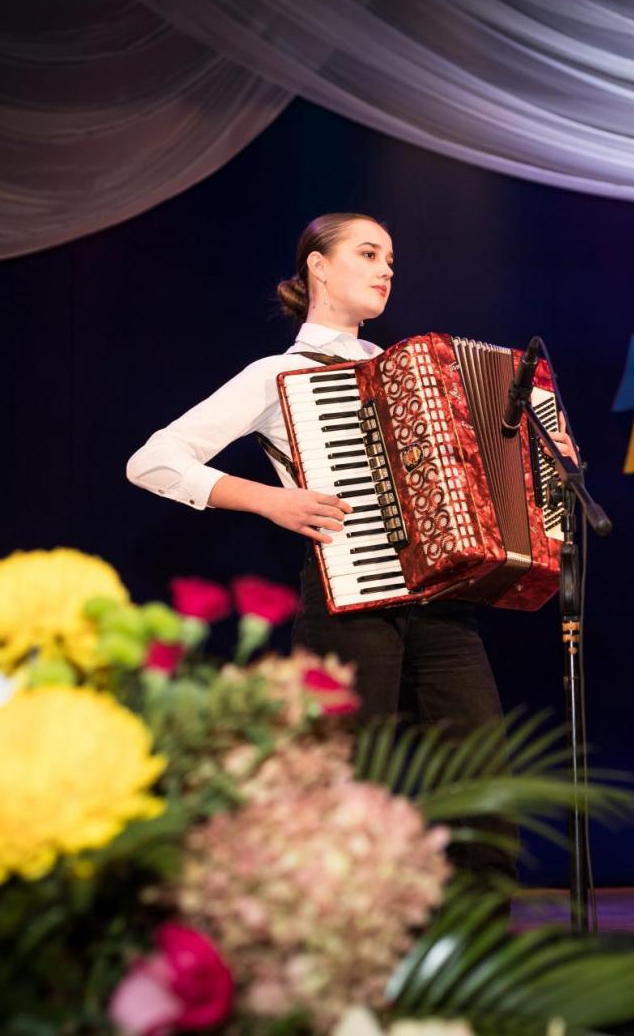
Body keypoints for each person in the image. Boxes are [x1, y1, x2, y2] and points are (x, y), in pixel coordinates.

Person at [128, 212, 568, 882]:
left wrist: (546, 455)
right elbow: (153, 461)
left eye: (390, 259)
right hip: (350, 602)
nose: (385, 269)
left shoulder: (426, 373)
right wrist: (270, 500)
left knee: (484, 792)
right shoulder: (279, 374)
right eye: (367, 253)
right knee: (350, 790)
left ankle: (470, 940)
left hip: (443, 603)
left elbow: (487, 477)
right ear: (318, 266)